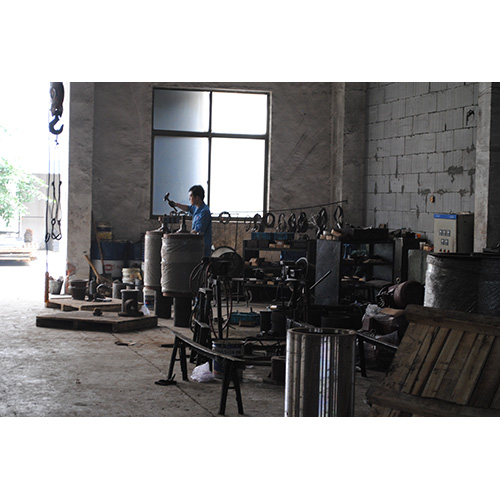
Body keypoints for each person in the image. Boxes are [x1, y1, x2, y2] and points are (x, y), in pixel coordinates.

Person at [169, 185, 212, 256]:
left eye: (191, 196)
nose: (189, 199)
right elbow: (188, 208)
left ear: (197, 197)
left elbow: (197, 231)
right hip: (196, 245)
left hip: (202, 248)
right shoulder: (196, 207)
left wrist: (182, 236)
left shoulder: (204, 212)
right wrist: (175, 204)